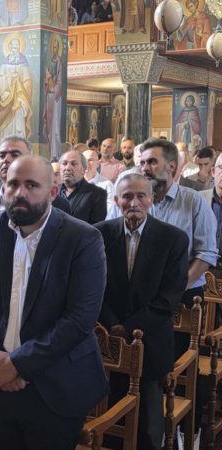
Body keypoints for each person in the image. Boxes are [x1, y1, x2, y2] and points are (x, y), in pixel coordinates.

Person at [0, 155, 109, 450]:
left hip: (54, 384)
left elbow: (79, 319)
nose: (20, 192)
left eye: (31, 185)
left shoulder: (83, 238)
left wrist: (18, 364)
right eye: (13, 184)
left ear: (52, 192)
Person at [96, 173, 188, 450]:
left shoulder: (173, 238)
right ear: (117, 200)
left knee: (148, 427)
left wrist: (129, 327)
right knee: (105, 419)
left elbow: (169, 297)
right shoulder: (99, 234)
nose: (134, 203)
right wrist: (112, 325)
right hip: (107, 340)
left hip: (151, 340)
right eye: (127, 196)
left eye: (140, 196)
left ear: (151, 200)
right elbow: (94, 288)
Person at [140, 138, 217, 309]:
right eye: (142, 163)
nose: (145, 168)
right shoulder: (137, 202)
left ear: (171, 166)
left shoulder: (193, 201)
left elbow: (206, 253)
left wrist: (178, 287)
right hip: (143, 291)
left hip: (185, 293)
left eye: (152, 162)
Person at [0, 38, 32, 141]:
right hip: (7, 100)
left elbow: (27, 81)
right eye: (14, 48)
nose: (16, 50)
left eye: (17, 48)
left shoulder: (23, 61)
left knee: (18, 126)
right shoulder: (5, 62)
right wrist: (8, 81)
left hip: (18, 100)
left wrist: (21, 99)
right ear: (10, 48)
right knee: (6, 130)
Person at [59, 150, 107, 224]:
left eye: (74, 164)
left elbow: (96, 228)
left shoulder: (97, 194)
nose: (68, 168)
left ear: (84, 169)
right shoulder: (51, 192)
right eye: (64, 163)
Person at [82, 149, 115, 219]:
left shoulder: (106, 184)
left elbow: (110, 210)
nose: (87, 163)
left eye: (90, 160)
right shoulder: (75, 183)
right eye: (84, 160)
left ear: (97, 163)